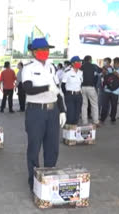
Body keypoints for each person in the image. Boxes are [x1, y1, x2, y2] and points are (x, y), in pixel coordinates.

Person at [22, 38, 66, 191]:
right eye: (42, 50)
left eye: (47, 50)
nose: (45, 53)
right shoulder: (28, 68)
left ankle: (49, 177)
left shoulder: (52, 67)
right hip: (36, 111)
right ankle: (33, 181)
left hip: (52, 111)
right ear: (34, 52)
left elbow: (58, 91)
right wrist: (46, 88)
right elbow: (27, 89)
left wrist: (62, 110)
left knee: (52, 147)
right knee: (34, 147)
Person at [100, 57, 119, 124]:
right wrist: (104, 73)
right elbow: (103, 77)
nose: (115, 65)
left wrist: (117, 74)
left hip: (115, 91)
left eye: (117, 64)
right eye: (114, 63)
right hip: (107, 90)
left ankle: (113, 118)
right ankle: (102, 118)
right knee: (104, 105)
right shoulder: (109, 69)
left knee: (114, 105)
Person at [61, 56, 83, 125]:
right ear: (73, 63)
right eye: (78, 62)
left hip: (78, 95)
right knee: (70, 115)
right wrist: (66, 94)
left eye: (80, 62)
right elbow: (63, 85)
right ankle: (68, 131)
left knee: (77, 115)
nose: (79, 63)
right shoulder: (67, 72)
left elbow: (81, 84)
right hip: (70, 95)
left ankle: (74, 132)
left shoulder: (81, 72)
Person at [80, 55, 100, 126]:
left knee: (84, 105)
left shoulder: (81, 67)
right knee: (94, 104)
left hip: (82, 88)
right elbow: (100, 72)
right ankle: (96, 121)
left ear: (84, 60)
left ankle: (84, 121)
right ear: (90, 60)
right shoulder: (94, 66)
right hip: (91, 87)